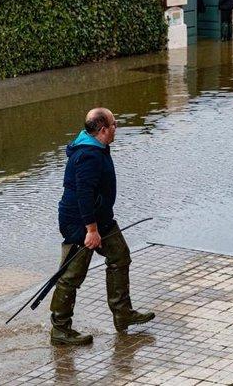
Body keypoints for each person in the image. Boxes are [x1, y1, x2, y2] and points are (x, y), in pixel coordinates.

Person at [49, 107, 154, 346]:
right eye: (114, 124)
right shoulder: (88, 155)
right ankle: (60, 330)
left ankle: (123, 314)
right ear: (103, 129)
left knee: (120, 256)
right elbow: (84, 195)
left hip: (100, 219)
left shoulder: (98, 146)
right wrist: (91, 230)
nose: (117, 128)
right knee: (71, 276)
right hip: (80, 222)